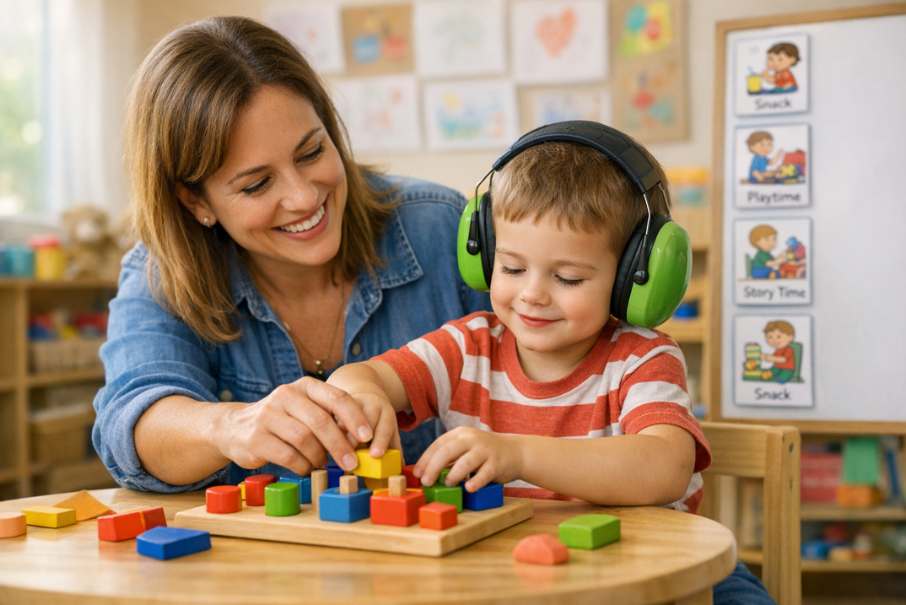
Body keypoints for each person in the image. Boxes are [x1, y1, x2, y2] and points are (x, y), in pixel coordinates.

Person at [327, 122, 776, 604]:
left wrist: (518, 455)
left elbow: (664, 466)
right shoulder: (467, 346)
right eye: (512, 268)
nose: (532, 294)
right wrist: (364, 396)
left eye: (567, 277)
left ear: (634, 278)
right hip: (512, 580)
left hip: (645, 577)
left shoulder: (642, 358)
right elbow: (359, 376)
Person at [91, 15, 489, 493]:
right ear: (196, 201)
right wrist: (230, 427)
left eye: (311, 152)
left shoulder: (440, 226)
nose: (303, 197)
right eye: (257, 184)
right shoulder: (160, 274)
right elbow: (132, 424)